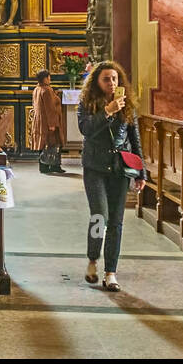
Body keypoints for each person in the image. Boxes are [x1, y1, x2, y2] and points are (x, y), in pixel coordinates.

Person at [78, 59, 146, 291]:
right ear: (97, 81)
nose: (111, 82)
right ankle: (92, 260)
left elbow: (134, 140)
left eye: (115, 78)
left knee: (116, 222)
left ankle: (111, 273)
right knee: (99, 215)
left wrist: (141, 173)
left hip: (120, 168)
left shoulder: (127, 106)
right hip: (95, 167)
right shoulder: (87, 102)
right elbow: (85, 129)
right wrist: (107, 111)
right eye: (106, 78)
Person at [30, 70, 67, 175]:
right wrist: (52, 124)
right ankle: (51, 166)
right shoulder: (46, 90)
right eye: (49, 77)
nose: (50, 79)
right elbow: (50, 109)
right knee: (52, 143)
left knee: (44, 143)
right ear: (45, 78)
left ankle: (46, 166)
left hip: (40, 121)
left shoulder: (37, 89)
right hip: (48, 121)